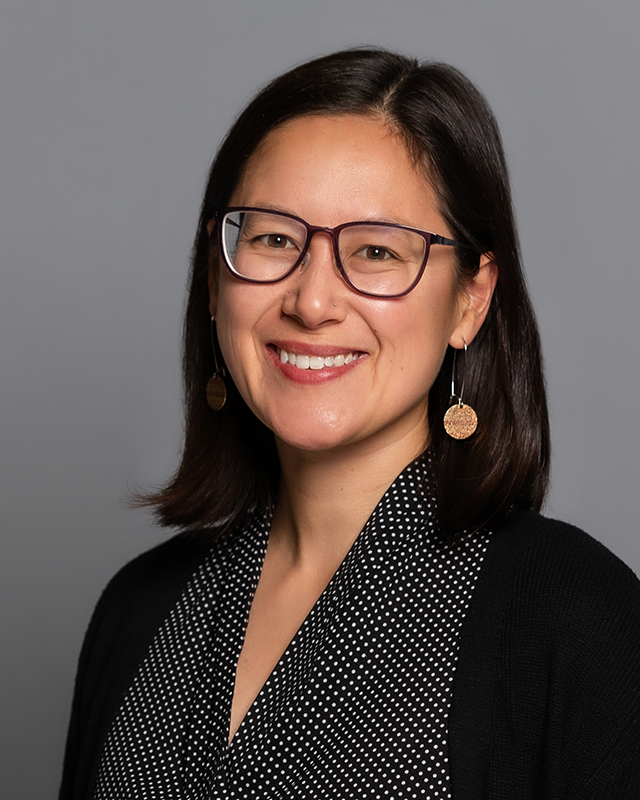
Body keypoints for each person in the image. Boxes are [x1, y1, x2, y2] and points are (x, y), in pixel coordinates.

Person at [59, 48, 640, 799]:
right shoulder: (139, 608)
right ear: (213, 277)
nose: (312, 302)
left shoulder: (575, 619)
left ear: (470, 300)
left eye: (375, 251)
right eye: (273, 239)